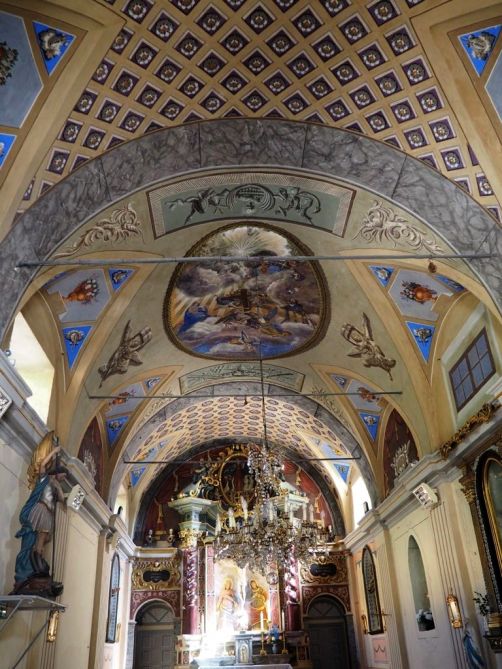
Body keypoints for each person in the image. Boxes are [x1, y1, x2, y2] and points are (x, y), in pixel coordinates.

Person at [13, 434, 68, 589]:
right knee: (32, 542)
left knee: (40, 543)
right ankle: (28, 573)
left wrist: (60, 489)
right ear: (57, 473)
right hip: (40, 510)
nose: (63, 479)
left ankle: (37, 570)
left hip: (48, 514)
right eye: (63, 476)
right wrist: (54, 451)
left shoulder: (56, 486)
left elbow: (63, 502)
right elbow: (43, 464)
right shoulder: (45, 479)